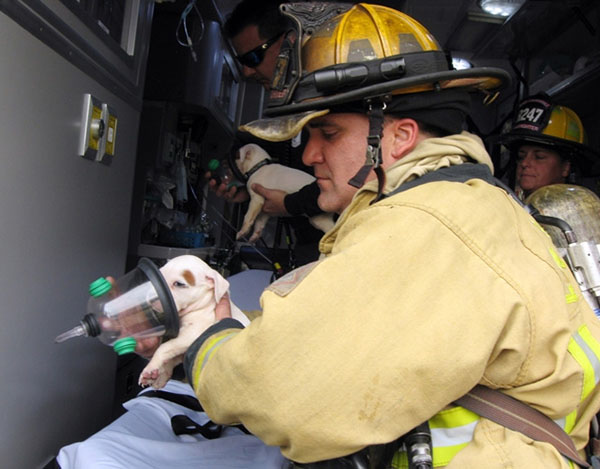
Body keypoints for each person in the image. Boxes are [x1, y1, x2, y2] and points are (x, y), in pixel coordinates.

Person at [182, 3, 600, 468]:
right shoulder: (466, 200)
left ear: (398, 137)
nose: (309, 155)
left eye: (328, 133)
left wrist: (206, 341)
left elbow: (279, 394)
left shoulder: (425, 222)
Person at [208, 0, 328, 267]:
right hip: (308, 249)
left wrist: (292, 204)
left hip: (339, 247)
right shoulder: (281, 115)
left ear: (289, 42)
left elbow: (357, 184)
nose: (247, 71)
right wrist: (247, 187)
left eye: (253, 58)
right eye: (242, 62)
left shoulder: (333, 102)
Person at [497, 93, 599, 200]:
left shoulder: (581, 213)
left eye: (539, 157)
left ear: (566, 167)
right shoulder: (506, 208)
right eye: (521, 156)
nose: (524, 163)